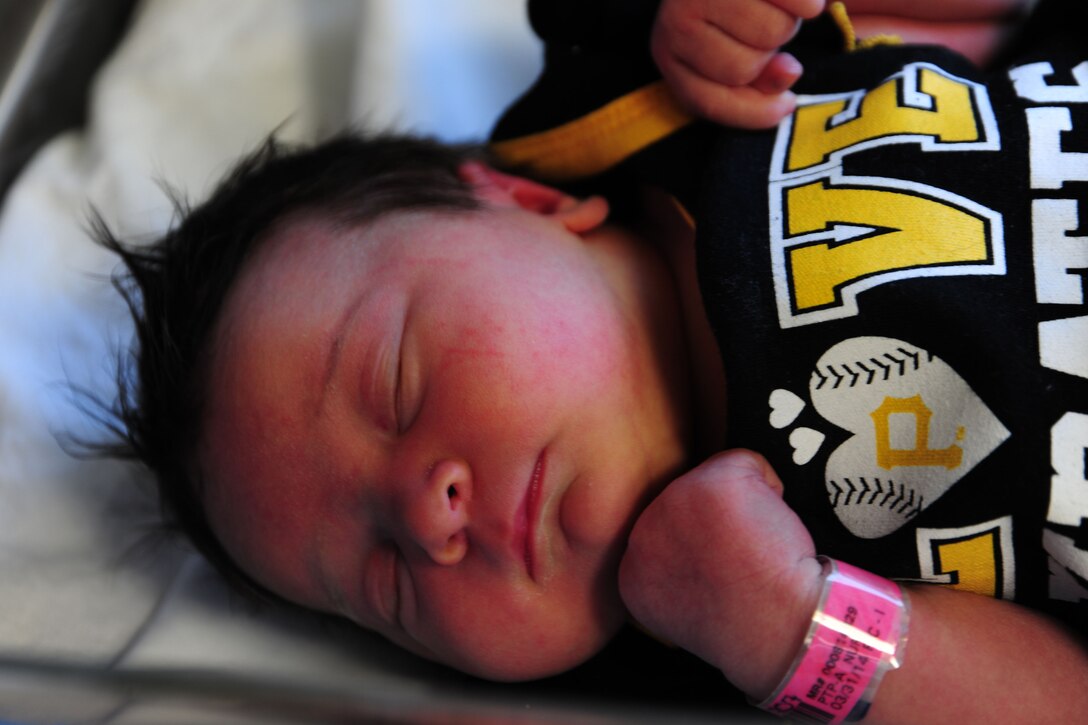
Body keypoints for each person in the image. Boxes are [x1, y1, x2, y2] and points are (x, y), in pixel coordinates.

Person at [96, 0, 1088, 720]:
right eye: (387, 583)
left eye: (397, 383)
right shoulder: (708, 646)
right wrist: (796, 628)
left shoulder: (638, 95)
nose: (428, 511)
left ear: (526, 201)